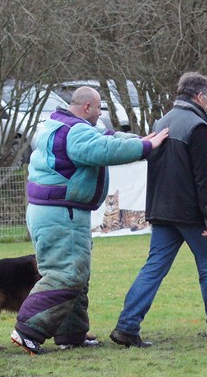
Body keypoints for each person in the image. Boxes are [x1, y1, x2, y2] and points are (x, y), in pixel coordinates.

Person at [11, 86, 169, 355]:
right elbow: (103, 149)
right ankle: (27, 330)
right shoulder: (76, 132)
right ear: (87, 107)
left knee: (77, 275)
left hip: (52, 211)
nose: (100, 114)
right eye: (99, 109)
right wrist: (144, 147)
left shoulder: (58, 123)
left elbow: (106, 136)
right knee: (65, 274)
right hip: (61, 213)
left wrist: (140, 139)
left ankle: (71, 334)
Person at [110, 72, 207, 347]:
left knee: (153, 268)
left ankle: (127, 326)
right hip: (190, 212)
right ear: (200, 96)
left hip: (161, 209)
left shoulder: (161, 122)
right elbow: (204, 175)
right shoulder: (198, 127)